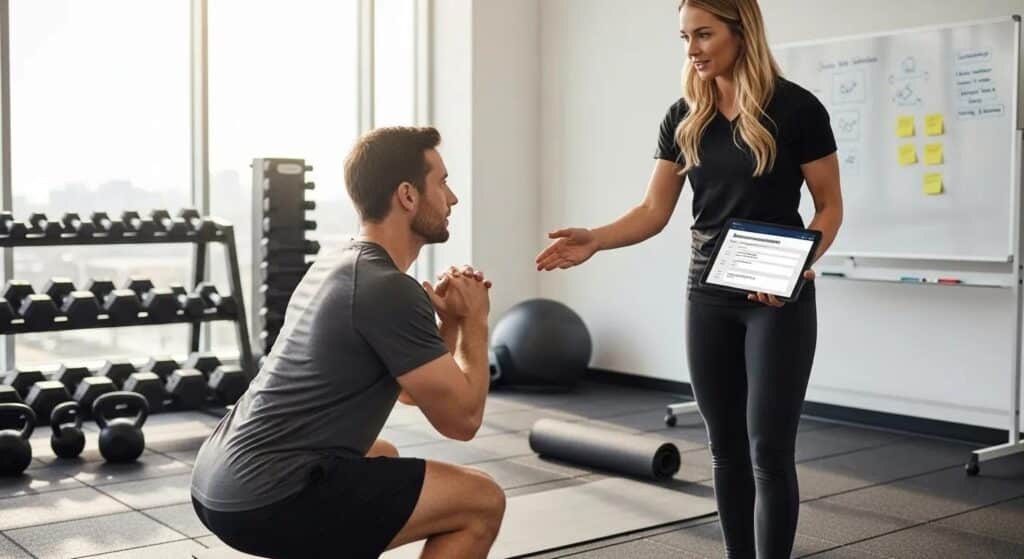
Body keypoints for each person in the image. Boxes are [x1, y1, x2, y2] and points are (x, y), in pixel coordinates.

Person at [536, 1, 842, 557]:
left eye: (703, 34)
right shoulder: (684, 116)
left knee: (768, 451)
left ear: (740, 32)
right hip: (707, 294)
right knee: (724, 448)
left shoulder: (797, 109)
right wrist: (596, 238)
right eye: (684, 37)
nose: (692, 49)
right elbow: (654, 211)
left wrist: (794, 268)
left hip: (776, 298)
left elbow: (829, 208)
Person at [191, 126, 506, 559]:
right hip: (264, 498)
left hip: (217, 480)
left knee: (382, 455)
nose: (452, 198)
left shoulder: (339, 263)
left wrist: (449, 325)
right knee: (482, 501)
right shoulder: (389, 288)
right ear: (408, 196)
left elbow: (413, 392)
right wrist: (477, 321)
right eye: (443, 183)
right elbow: (463, 421)